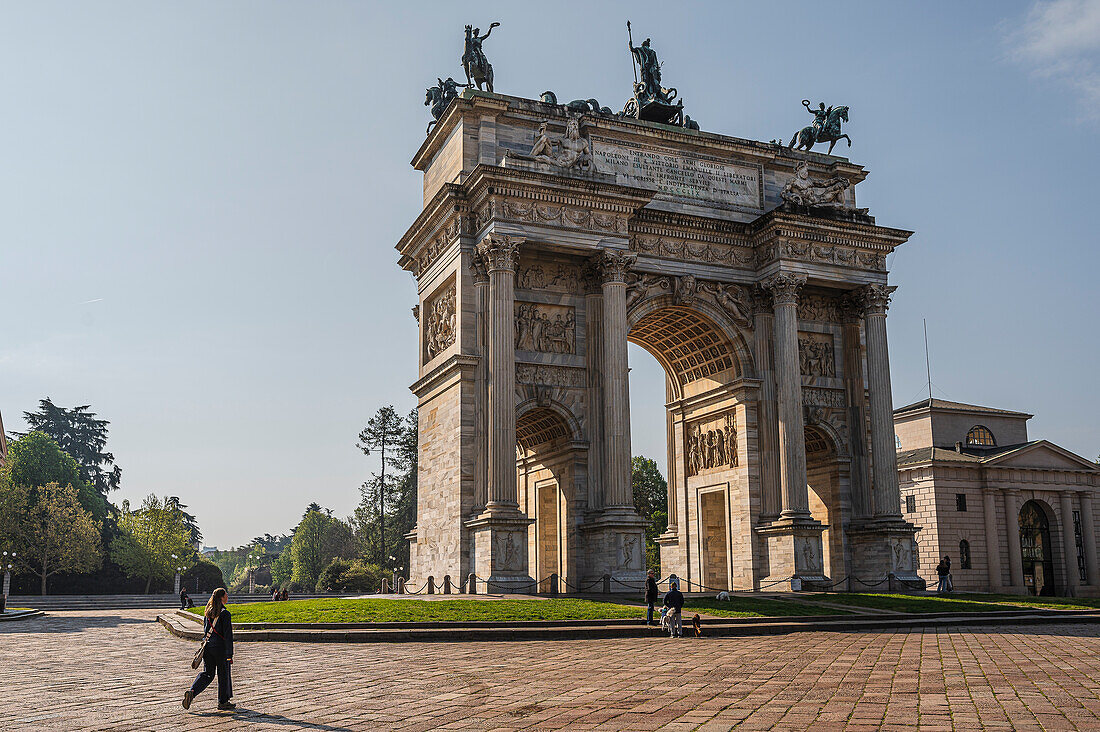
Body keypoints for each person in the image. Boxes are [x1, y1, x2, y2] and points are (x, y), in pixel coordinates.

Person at [183, 588, 234, 711]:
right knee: (223, 675)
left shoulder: (208, 612)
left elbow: (206, 631)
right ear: (222, 597)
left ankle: (192, 691)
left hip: (208, 647)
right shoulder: (225, 614)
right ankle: (223, 701)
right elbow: (228, 636)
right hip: (220, 649)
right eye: (226, 595)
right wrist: (229, 654)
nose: (227, 597)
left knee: (208, 674)